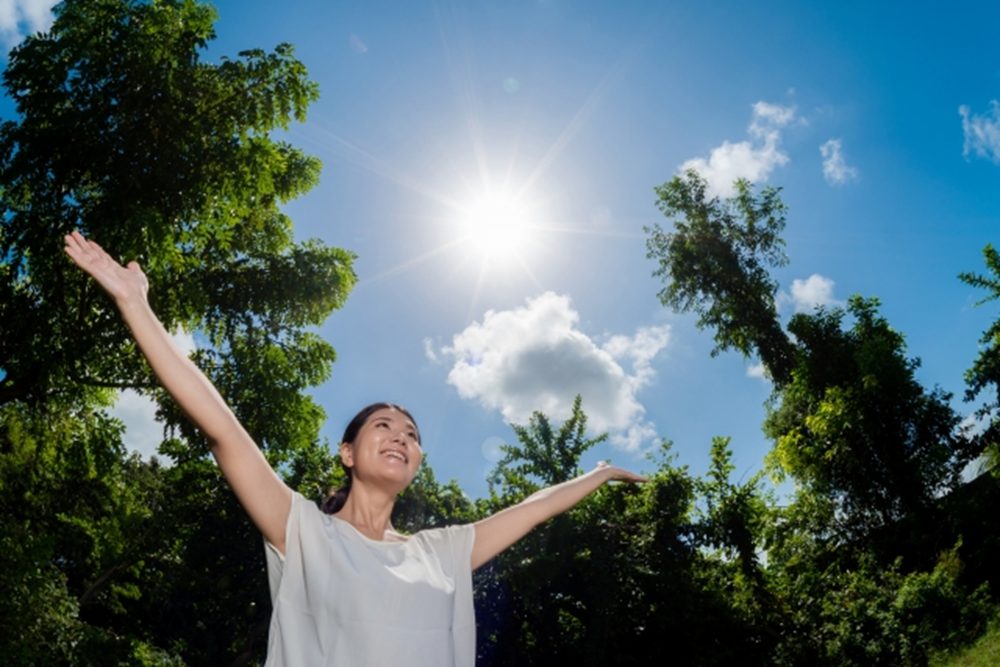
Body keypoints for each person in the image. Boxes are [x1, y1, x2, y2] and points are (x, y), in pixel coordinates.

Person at [64, 231, 648, 666]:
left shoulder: (441, 552)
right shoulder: (303, 533)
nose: (402, 437)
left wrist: (597, 474)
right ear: (347, 452)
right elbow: (222, 427)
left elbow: (534, 509)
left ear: (417, 464)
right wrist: (135, 303)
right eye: (385, 426)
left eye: (413, 435)